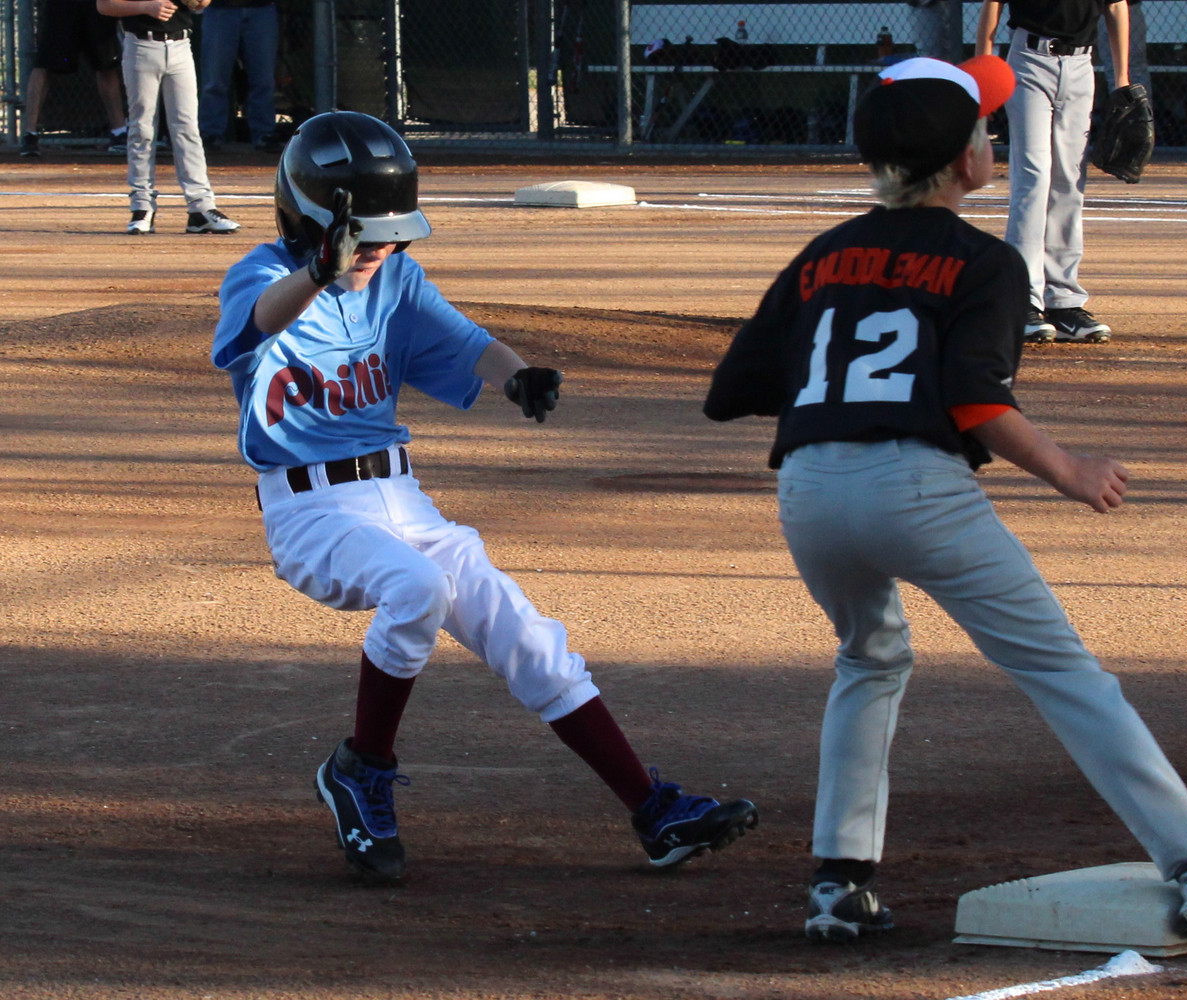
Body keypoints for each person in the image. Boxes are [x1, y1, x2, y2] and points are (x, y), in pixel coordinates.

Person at [703, 55, 1187, 952]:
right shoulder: (984, 261)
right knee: (1062, 672)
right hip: (916, 488)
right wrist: (1068, 469)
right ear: (967, 163)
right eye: (982, 133)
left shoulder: (822, 254)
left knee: (869, 657)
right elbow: (975, 402)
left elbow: (731, 391)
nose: (989, 141)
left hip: (808, 491)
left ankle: (839, 883)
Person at [210, 110, 759, 881]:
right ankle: (361, 769)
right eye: (365, 237)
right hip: (309, 513)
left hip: (400, 496)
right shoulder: (262, 276)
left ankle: (654, 811)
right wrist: (318, 272)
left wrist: (516, 376)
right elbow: (254, 325)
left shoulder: (395, 281)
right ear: (310, 220)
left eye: (391, 236)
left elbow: (466, 342)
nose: (382, 250)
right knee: (416, 589)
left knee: (524, 634)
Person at [976, 0, 1128, 344]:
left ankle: (1063, 301)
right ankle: (1023, 299)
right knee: (1034, 177)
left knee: (1069, 182)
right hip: (1029, 59)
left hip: (1082, 64)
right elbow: (993, 4)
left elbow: (1117, 7)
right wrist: (985, 65)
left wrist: (1121, 80)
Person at [96, 0, 241, 235]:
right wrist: (146, 7)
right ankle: (142, 206)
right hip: (141, 44)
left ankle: (201, 208)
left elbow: (202, 3)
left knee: (187, 128)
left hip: (181, 45)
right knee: (142, 128)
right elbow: (104, 5)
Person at [19, 0, 128, 157]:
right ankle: (30, 134)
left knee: (106, 65)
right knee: (44, 63)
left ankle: (119, 132)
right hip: (61, 7)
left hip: (96, 6)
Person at [198, 0, 280, 153]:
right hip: (220, 9)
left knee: (264, 80)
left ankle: (264, 134)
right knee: (214, 81)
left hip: (262, 8)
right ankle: (210, 134)